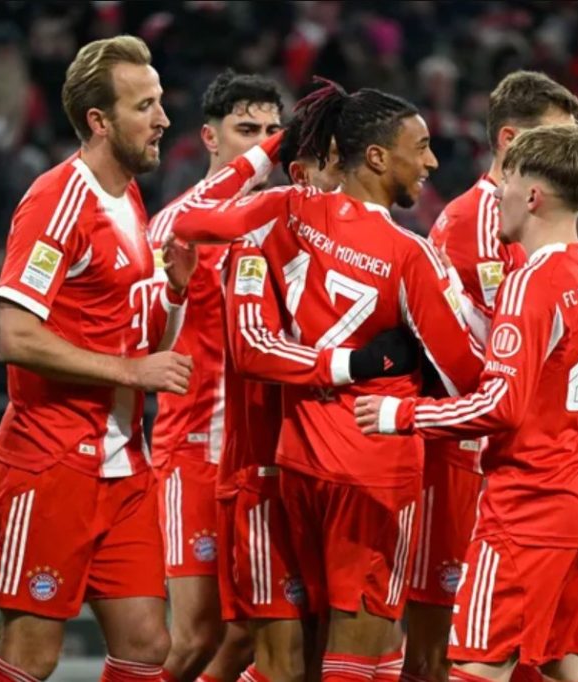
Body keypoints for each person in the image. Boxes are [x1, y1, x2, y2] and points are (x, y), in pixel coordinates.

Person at [169, 78, 484, 682]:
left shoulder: (287, 210)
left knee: (293, 658)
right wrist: (389, 358)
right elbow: (467, 373)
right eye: (420, 147)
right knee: (353, 657)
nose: (432, 161)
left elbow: (191, 218)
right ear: (376, 157)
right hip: (375, 467)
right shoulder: (412, 254)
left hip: (300, 460)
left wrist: (266, 154)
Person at [356, 122, 578, 682]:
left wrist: (401, 414)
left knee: (477, 668)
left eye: (507, 180)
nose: (495, 192)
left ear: (532, 195)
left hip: (529, 506)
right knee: (574, 669)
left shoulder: (531, 282)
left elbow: (500, 406)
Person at [0, 36, 196, 682]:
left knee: (147, 647)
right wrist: (133, 373)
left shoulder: (129, 198)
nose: (162, 120)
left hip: (123, 467)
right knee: (30, 657)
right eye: (145, 106)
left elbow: (141, 340)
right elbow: (12, 336)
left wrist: (177, 292)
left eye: (159, 103)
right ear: (100, 122)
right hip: (51, 464)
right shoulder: (58, 200)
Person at [214, 114, 417, 682]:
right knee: (276, 662)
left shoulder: (358, 250)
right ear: (301, 175)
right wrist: (356, 364)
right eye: (333, 165)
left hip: (319, 466)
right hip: (261, 474)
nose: (345, 179)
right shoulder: (259, 243)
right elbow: (253, 347)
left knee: (340, 646)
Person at [409, 71, 578, 682]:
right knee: (444, 645)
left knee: (525, 647)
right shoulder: (468, 225)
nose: (572, 155)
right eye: (557, 139)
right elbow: (467, 358)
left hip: (526, 460)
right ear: (510, 140)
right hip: (465, 460)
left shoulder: (550, 231)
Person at [147, 71, 284, 682]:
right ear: (209, 136)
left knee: (254, 631)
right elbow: (150, 333)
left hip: (262, 456)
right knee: (196, 633)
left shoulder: (280, 222)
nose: (262, 143)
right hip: (195, 448)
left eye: (274, 131)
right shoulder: (176, 225)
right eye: (246, 130)